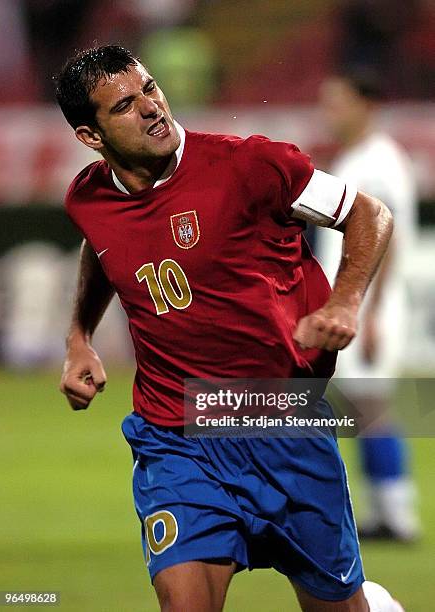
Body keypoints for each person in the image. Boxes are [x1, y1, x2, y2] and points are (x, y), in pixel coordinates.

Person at [56, 46, 403, 611]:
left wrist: (344, 302)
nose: (151, 106)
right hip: (177, 433)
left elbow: (369, 214)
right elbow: (104, 248)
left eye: (150, 88)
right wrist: (79, 338)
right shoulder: (88, 197)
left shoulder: (249, 165)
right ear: (91, 137)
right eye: (125, 104)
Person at [317, 73, 420, 543]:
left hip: (367, 307)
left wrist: (370, 310)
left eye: (337, 103)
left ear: (366, 104)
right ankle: (383, 510)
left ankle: (399, 515)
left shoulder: (380, 162)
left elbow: (388, 237)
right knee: (356, 410)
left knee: (372, 407)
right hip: (354, 304)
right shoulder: (357, 159)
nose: (329, 113)